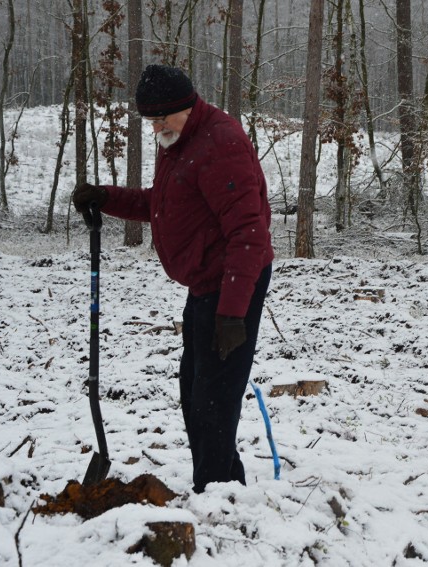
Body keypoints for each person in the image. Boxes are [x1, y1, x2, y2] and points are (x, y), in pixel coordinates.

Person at [72, 64, 274, 493]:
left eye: (163, 117)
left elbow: (249, 234)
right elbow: (163, 205)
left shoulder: (220, 144)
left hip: (235, 281)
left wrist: (233, 312)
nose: (157, 127)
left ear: (188, 106)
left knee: (214, 398)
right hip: (205, 283)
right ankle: (215, 483)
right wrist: (107, 197)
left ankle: (221, 493)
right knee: (194, 391)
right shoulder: (178, 142)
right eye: (151, 120)